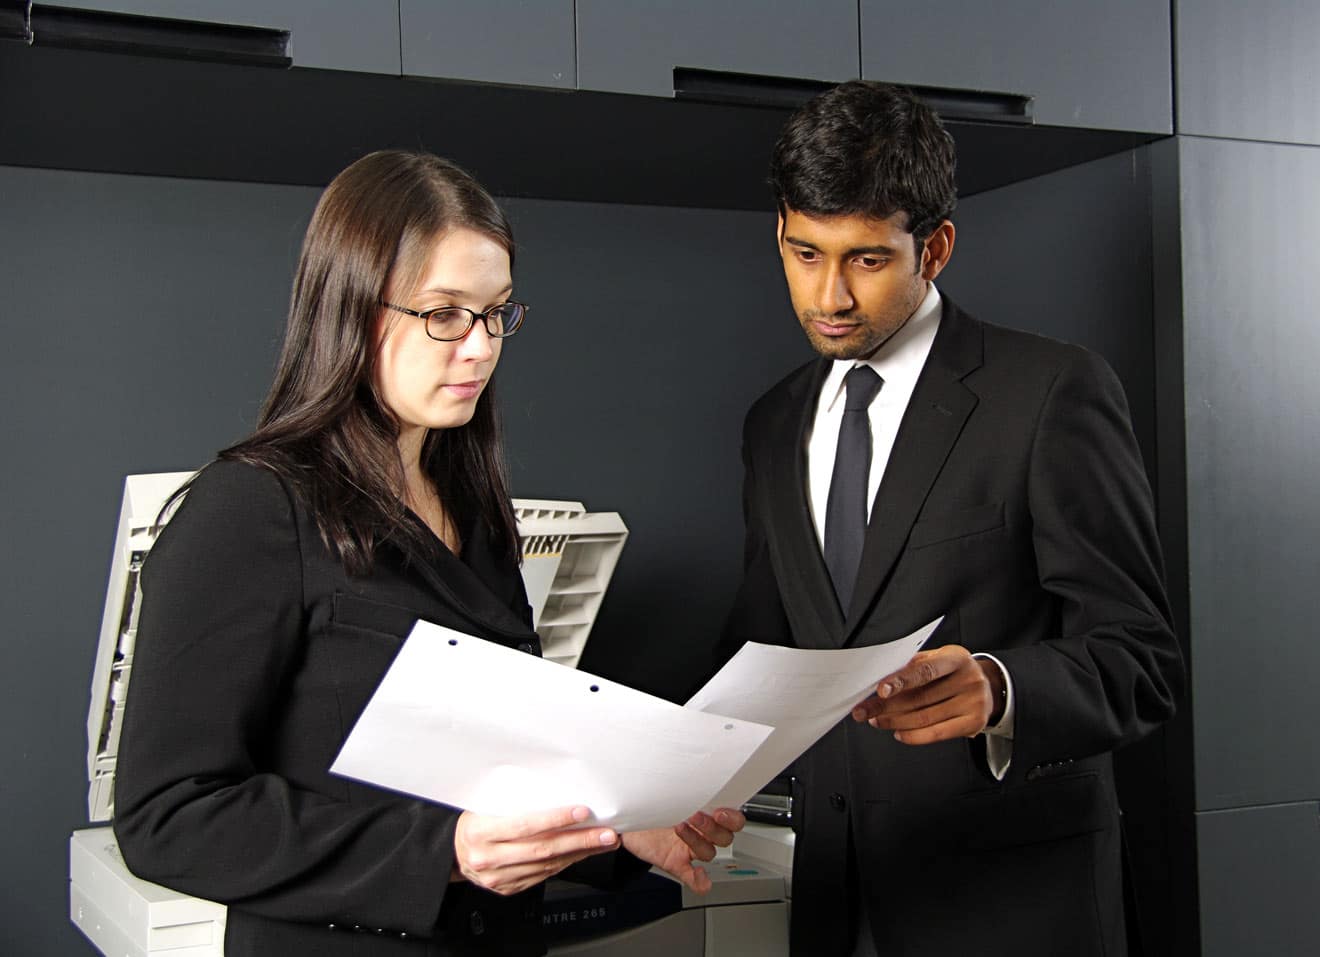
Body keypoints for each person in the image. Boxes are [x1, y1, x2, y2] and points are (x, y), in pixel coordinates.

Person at [114, 150, 742, 957]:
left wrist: (620, 823)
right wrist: (441, 852)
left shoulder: (474, 507)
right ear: (350, 308)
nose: (479, 347)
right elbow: (165, 815)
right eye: (444, 312)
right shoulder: (247, 510)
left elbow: (498, 763)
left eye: (497, 313)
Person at [716, 81, 1185, 956]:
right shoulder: (772, 422)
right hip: (834, 898)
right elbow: (762, 649)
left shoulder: (1050, 392)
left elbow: (1142, 661)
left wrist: (1001, 688)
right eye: (803, 251)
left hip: (1013, 907)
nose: (828, 296)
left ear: (934, 248)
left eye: (866, 259)